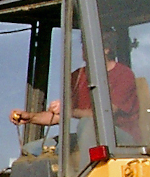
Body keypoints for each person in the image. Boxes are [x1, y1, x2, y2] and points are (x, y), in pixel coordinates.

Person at [10, 28, 141, 143]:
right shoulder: (77, 76)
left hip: (119, 140)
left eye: (88, 44)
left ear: (106, 49)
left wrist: (68, 110)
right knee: (33, 150)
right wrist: (30, 117)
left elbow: (106, 113)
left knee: (87, 124)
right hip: (86, 136)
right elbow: (61, 115)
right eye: (83, 44)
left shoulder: (124, 75)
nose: (83, 49)